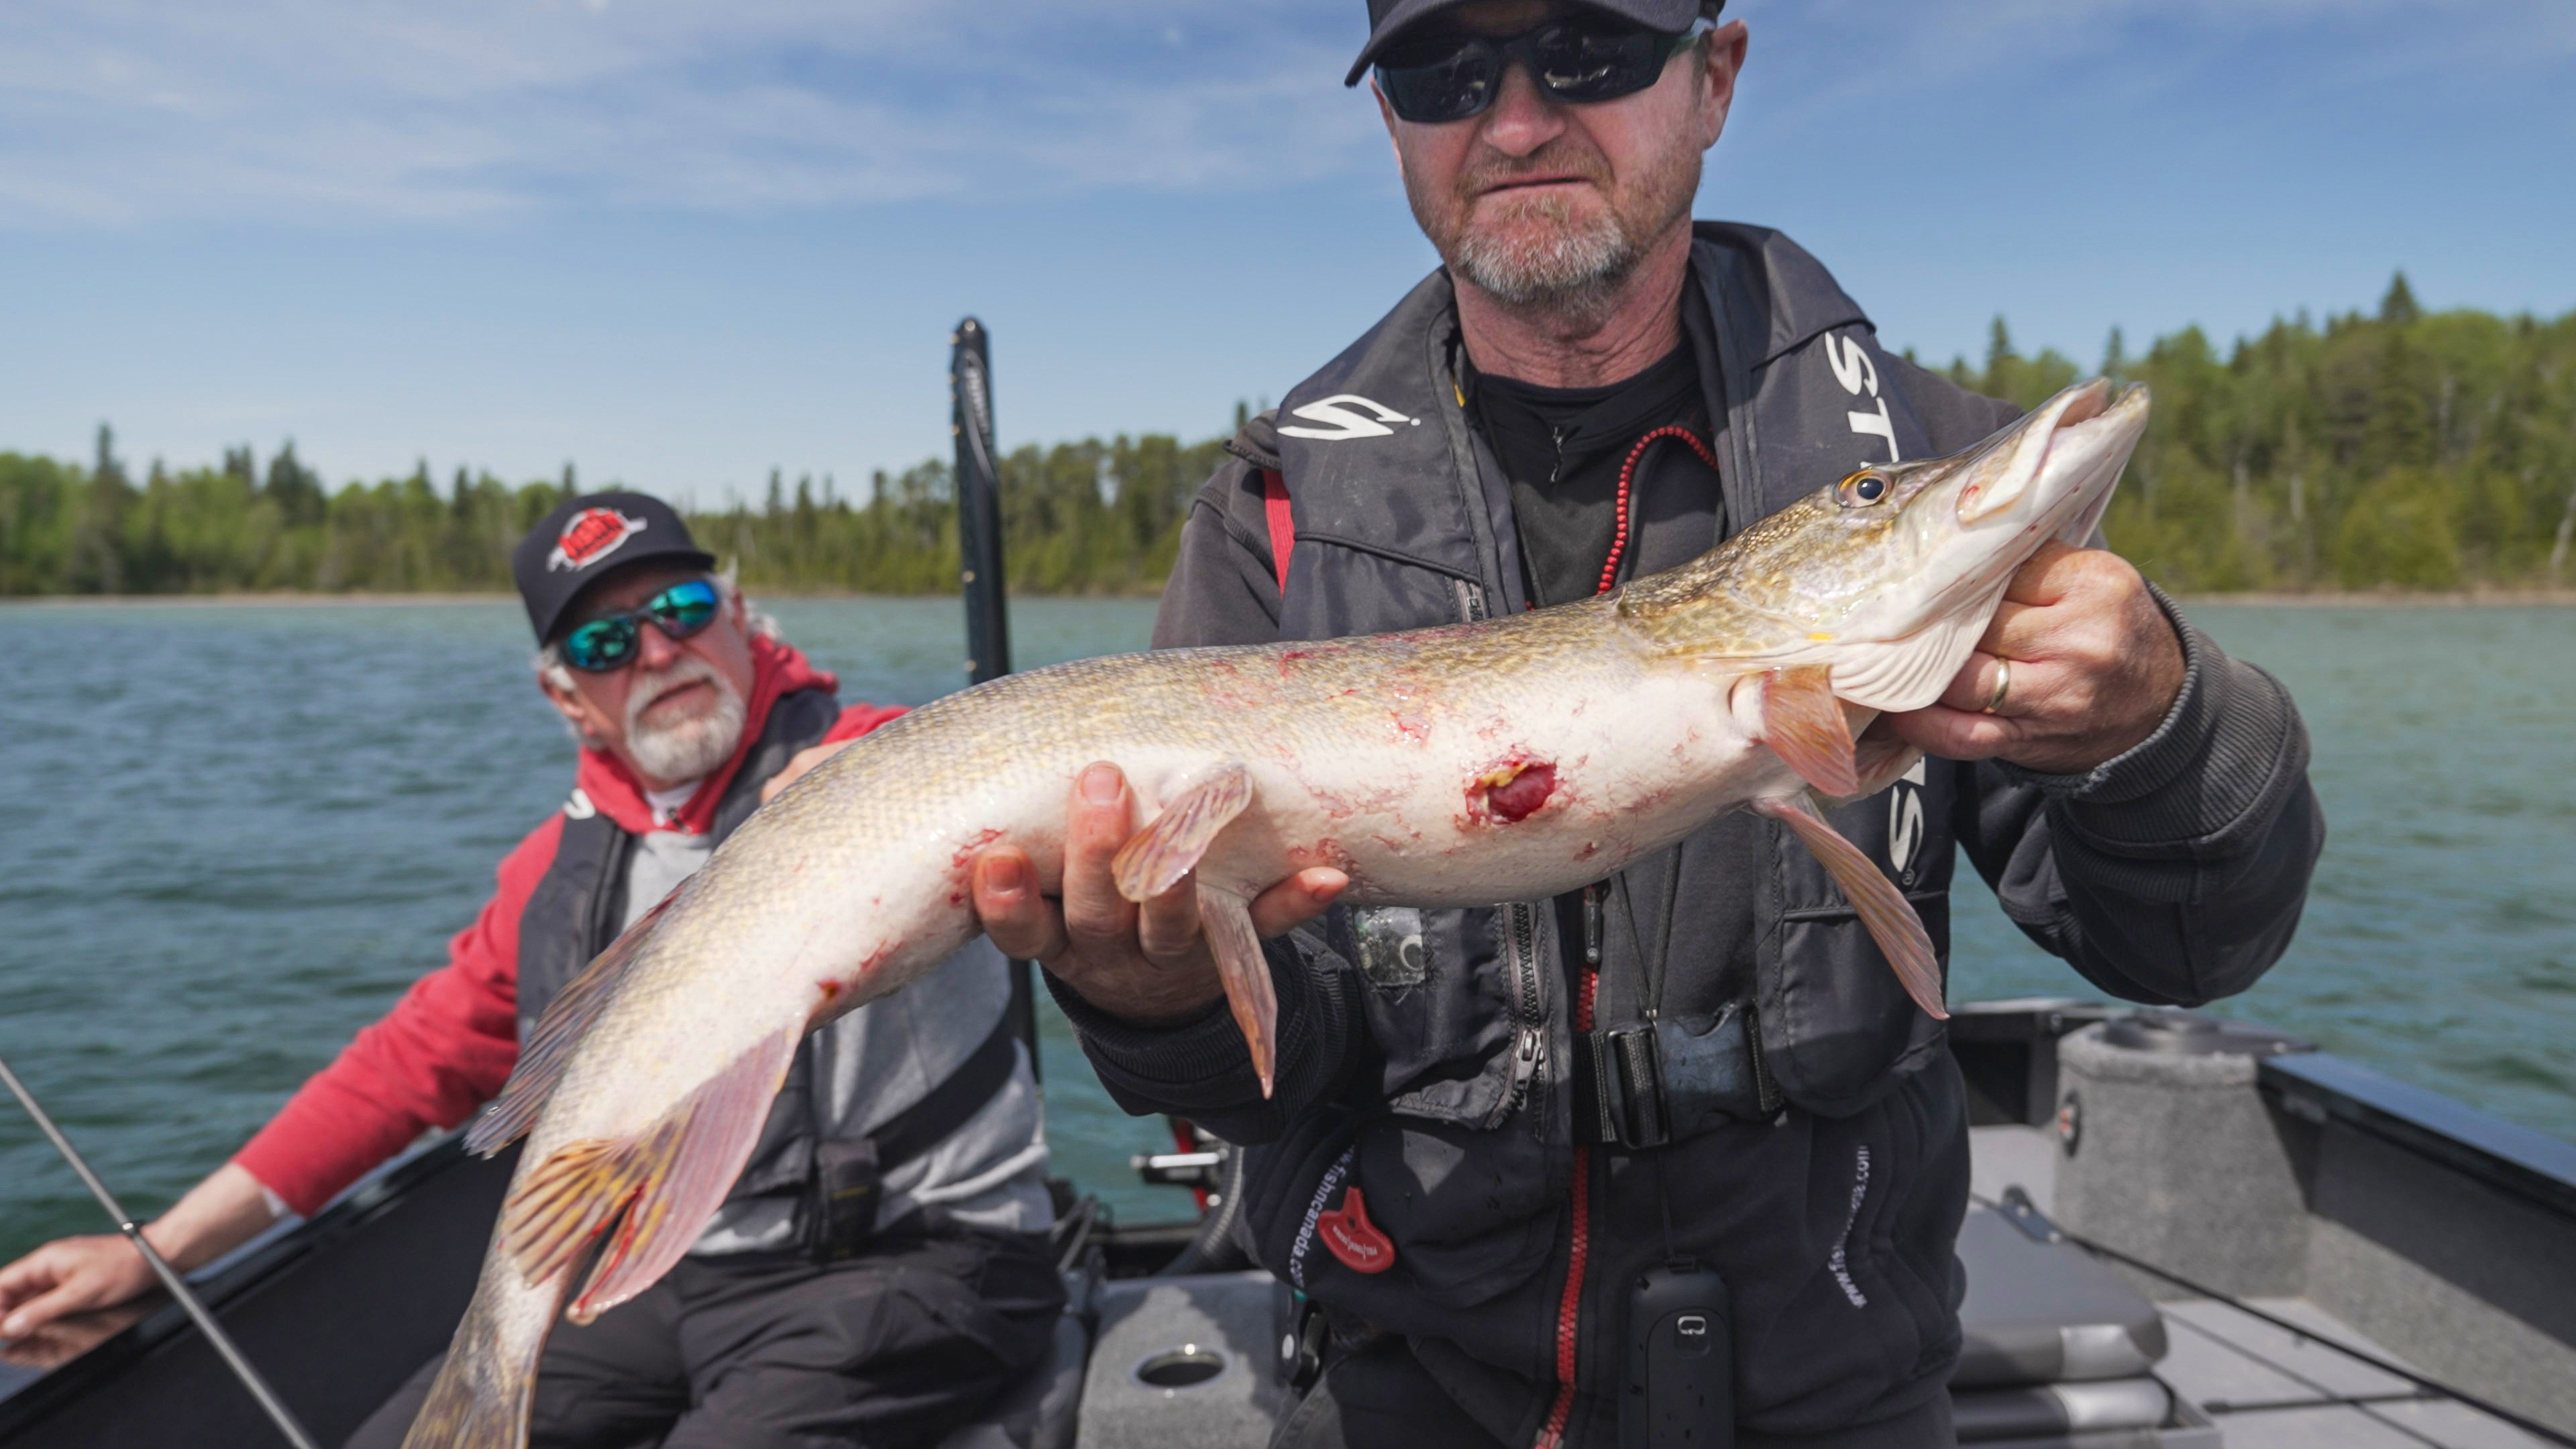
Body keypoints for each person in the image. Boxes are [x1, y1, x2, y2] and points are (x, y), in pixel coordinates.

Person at [959, 4, 2326, 1448]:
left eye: (1592, 52)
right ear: (1391, 122)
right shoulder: (1277, 522)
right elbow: (1257, 1083)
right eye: (1444, 72)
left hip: (1834, 1392)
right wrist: (1146, 993)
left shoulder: (1904, 465)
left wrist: (2161, 722)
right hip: (1411, 1388)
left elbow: (2189, 948)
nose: (1518, 118)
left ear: (1717, 76)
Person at [0, 492, 1063, 1448]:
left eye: (684, 608)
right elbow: (402, 1070)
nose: (657, 651)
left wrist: (890, 780)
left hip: (920, 1261)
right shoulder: (548, 875)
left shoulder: (882, 751)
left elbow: (989, 771)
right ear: (568, 698)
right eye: (606, 641)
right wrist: (159, 1252)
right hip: (667, 1279)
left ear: (740, 621)